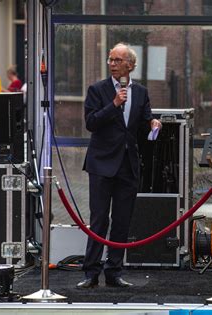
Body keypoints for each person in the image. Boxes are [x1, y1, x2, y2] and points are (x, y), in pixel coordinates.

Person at [77, 43, 162, 289]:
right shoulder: (97, 90)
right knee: (99, 219)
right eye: (110, 59)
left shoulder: (142, 92)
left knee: (122, 220)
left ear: (130, 65)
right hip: (102, 163)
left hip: (128, 164)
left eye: (117, 60)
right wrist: (113, 104)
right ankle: (91, 273)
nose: (112, 64)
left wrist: (154, 123)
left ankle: (114, 272)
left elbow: (144, 121)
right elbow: (91, 123)